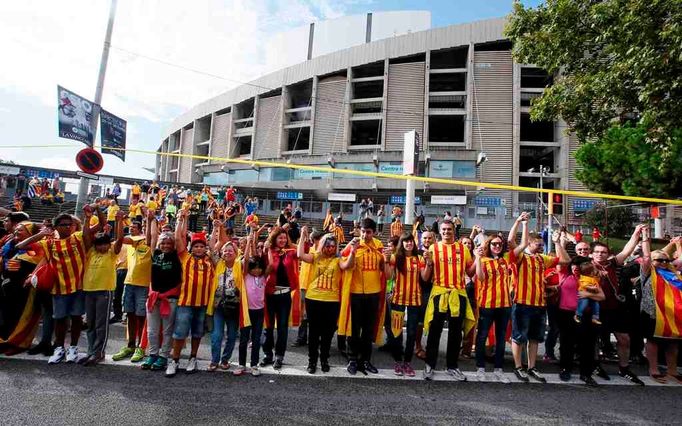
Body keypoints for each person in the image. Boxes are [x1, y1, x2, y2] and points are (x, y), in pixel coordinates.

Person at [19, 207, 105, 364]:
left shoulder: (78, 237)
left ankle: (73, 347)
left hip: (78, 286)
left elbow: (101, 225)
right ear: (56, 226)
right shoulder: (48, 243)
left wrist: (93, 212)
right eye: (64, 224)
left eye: (70, 224)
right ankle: (59, 348)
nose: (68, 227)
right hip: (58, 288)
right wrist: (41, 234)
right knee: (59, 319)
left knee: (76, 318)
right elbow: (20, 246)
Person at [507, 215, 570, 383]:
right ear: (529, 243)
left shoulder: (542, 259)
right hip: (522, 303)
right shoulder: (520, 257)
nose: (541, 247)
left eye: (543, 245)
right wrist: (521, 223)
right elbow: (511, 241)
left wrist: (557, 243)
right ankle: (518, 366)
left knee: (534, 338)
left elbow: (565, 260)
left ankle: (532, 366)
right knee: (519, 337)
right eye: (539, 244)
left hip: (539, 304)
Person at [472, 219, 527, 383]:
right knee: (482, 337)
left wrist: (521, 223)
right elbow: (480, 278)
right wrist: (478, 260)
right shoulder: (484, 260)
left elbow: (523, 244)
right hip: (487, 305)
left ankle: (498, 369)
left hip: (504, 305)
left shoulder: (506, 258)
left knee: (501, 338)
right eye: (494, 244)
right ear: (488, 245)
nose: (497, 246)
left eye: (499, 244)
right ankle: (480, 368)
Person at [590, 225, 646, 384]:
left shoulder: (612, 263)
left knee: (624, 338)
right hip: (595, 307)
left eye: (603, 252)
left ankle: (624, 368)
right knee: (594, 339)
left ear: (608, 254)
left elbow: (627, 250)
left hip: (615, 307)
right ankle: (595, 365)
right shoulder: (586, 265)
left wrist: (636, 233)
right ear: (592, 254)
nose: (600, 254)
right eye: (597, 252)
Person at [422, 220, 474, 381]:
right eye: (444, 229)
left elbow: (470, 272)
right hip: (439, 293)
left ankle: (452, 366)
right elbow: (426, 276)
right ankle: (430, 364)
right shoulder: (433, 248)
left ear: (454, 231)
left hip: (458, 294)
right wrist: (429, 263)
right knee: (435, 331)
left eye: (449, 229)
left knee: (455, 332)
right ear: (440, 231)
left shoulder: (463, 248)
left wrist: (478, 258)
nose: (446, 232)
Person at [166, 209, 215, 377]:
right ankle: (175, 360)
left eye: (202, 246)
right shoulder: (185, 257)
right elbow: (179, 237)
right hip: (185, 303)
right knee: (180, 333)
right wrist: (182, 219)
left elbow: (215, 244)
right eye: (196, 246)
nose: (199, 248)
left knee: (197, 333)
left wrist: (216, 227)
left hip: (202, 304)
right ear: (192, 248)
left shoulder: (210, 260)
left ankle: (193, 358)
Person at [297, 227, 348, 374]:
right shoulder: (315, 256)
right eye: (328, 245)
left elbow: (347, 265)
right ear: (323, 245)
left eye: (333, 246)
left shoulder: (338, 259)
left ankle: (324, 359)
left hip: (332, 301)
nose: (330, 248)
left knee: (327, 333)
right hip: (313, 299)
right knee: (313, 332)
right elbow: (300, 255)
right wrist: (302, 235)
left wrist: (353, 251)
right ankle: (312, 361)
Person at [339, 218, 386, 375]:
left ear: (374, 232)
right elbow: (344, 264)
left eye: (369, 232)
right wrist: (352, 251)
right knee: (354, 327)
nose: (365, 235)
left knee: (368, 329)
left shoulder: (379, 246)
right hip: (355, 292)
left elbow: (384, 269)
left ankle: (365, 360)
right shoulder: (353, 244)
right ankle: (352, 359)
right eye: (363, 231)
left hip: (374, 292)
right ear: (360, 230)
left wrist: (387, 258)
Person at [81, 208, 125, 366]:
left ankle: (99, 353)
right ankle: (91, 351)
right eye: (100, 245)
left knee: (100, 324)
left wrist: (119, 221)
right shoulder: (91, 251)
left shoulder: (112, 253)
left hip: (104, 292)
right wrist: (87, 218)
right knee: (90, 323)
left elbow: (119, 239)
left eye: (105, 244)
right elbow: (86, 235)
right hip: (89, 291)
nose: (102, 247)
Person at [385, 232, 433, 377]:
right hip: (398, 300)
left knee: (412, 333)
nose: (408, 244)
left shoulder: (419, 258)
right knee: (396, 332)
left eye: (410, 241)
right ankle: (398, 361)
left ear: (414, 242)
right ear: (402, 243)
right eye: (405, 241)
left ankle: (407, 362)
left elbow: (425, 277)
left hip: (415, 300)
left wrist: (429, 263)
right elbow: (388, 276)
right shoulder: (395, 257)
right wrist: (386, 260)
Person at [140, 213, 183, 371]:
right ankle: (152, 355)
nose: (165, 245)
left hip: (170, 299)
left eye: (168, 243)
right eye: (163, 242)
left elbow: (179, 239)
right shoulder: (155, 254)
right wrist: (151, 219)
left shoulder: (176, 256)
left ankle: (163, 356)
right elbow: (152, 237)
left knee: (167, 331)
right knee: (152, 330)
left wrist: (180, 220)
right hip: (154, 297)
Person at [640, 232, 682, 384]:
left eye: (666, 260)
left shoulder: (673, 274)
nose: (663, 262)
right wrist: (645, 237)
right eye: (659, 260)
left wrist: (677, 244)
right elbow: (645, 257)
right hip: (653, 313)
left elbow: (681, 260)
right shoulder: (648, 272)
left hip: (672, 314)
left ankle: (672, 370)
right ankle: (653, 369)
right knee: (653, 342)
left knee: (673, 343)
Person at [556, 256, 605, 385]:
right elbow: (562, 258)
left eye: (579, 265)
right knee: (567, 343)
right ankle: (566, 369)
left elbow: (601, 296)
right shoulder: (564, 275)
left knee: (587, 345)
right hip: (566, 313)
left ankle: (586, 373)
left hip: (586, 315)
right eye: (573, 265)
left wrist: (588, 294)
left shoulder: (590, 280)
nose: (575, 268)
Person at [112, 220, 152, 363]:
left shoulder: (149, 242)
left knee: (141, 316)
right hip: (129, 282)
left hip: (143, 285)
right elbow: (120, 238)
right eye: (130, 227)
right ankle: (130, 345)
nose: (132, 229)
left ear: (141, 229)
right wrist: (118, 221)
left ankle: (140, 347)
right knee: (130, 314)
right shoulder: (131, 242)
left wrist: (150, 219)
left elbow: (150, 235)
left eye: (134, 228)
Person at [261, 227, 301, 369]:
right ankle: (267, 354)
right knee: (268, 326)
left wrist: (303, 234)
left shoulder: (291, 252)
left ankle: (279, 356)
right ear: (274, 239)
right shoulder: (268, 252)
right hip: (269, 294)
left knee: (282, 327)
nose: (283, 240)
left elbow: (302, 251)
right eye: (280, 238)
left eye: (285, 238)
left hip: (284, 295)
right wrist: (264, 245)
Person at [0, 220, 43, 356]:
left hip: (25, 289)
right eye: (17, 229)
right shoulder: (11, 245)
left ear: (30, 233)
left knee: (21, 317)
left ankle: (19, 343)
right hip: (10, 286)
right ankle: (5, 340)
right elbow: (9, 265)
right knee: (7, 316)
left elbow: (27, 266)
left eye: (21, 230)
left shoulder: (36, 248)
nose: (17, 232)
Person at [207, 223, 241, 371]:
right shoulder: (218, 263)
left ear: (236, 253)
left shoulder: (240, 264)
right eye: (225, 250)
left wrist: (222, 229)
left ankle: (225, 359)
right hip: (219, 305)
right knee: (216, 335)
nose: (227, 252)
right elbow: (211, 246)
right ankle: (214, 360)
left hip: (234, 306)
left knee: (232, 336)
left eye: (230, 250)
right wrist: (217, 228)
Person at [233, 231, 268, 377]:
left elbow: (265, 262)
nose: (257, 270)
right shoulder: (246, 275)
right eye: (254, 268)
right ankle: (241, 364)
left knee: (256, 339)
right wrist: (248, 242)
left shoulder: (263, 277)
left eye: (259, 267)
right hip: (246, 311)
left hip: (259, 312)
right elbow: (247, 259)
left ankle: (254, 364)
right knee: (243, 339)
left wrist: (256, 240)